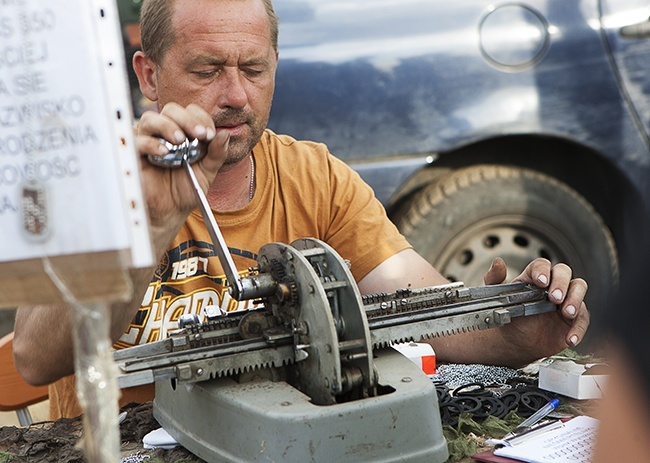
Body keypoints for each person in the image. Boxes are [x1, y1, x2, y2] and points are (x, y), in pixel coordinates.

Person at [12, 0, 589, 420]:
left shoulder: (314, 178)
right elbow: (37, 358)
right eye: (208, 69)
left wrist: (517, 332)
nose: (236, 95)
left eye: (254, 69)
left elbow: (416, 304)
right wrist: (155, 218)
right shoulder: (96, 181)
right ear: (149, 74)